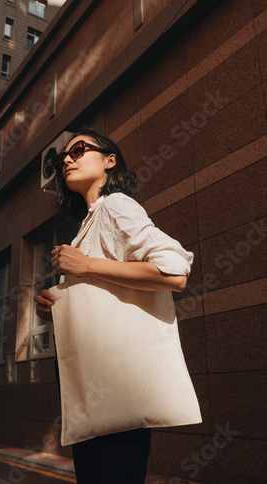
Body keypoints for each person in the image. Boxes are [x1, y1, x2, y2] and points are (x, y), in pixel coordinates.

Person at [34, 128, 194, 484]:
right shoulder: (87, 223)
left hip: (111, 388)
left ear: (110, 160)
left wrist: (85, 266)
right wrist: (56, 306)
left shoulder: (116, 205)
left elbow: (174, 271)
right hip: (93, 389)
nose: (68, 161)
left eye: (78, 150)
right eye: (63, 160)